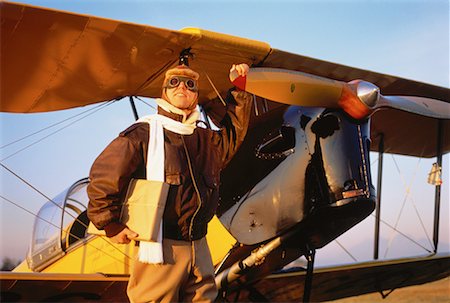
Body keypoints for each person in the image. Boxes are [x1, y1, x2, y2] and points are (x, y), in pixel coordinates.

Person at [87, 63, 252, 302]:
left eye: (190, 84)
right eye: (174, 82)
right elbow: (104, 176)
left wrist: (239, 90)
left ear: (196, 95)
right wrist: (109, 223)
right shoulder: (142, 133)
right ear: (164, 92)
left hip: (199, 243)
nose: (182, 87)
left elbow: (233, 134)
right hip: (161, 245)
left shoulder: (205, 139)